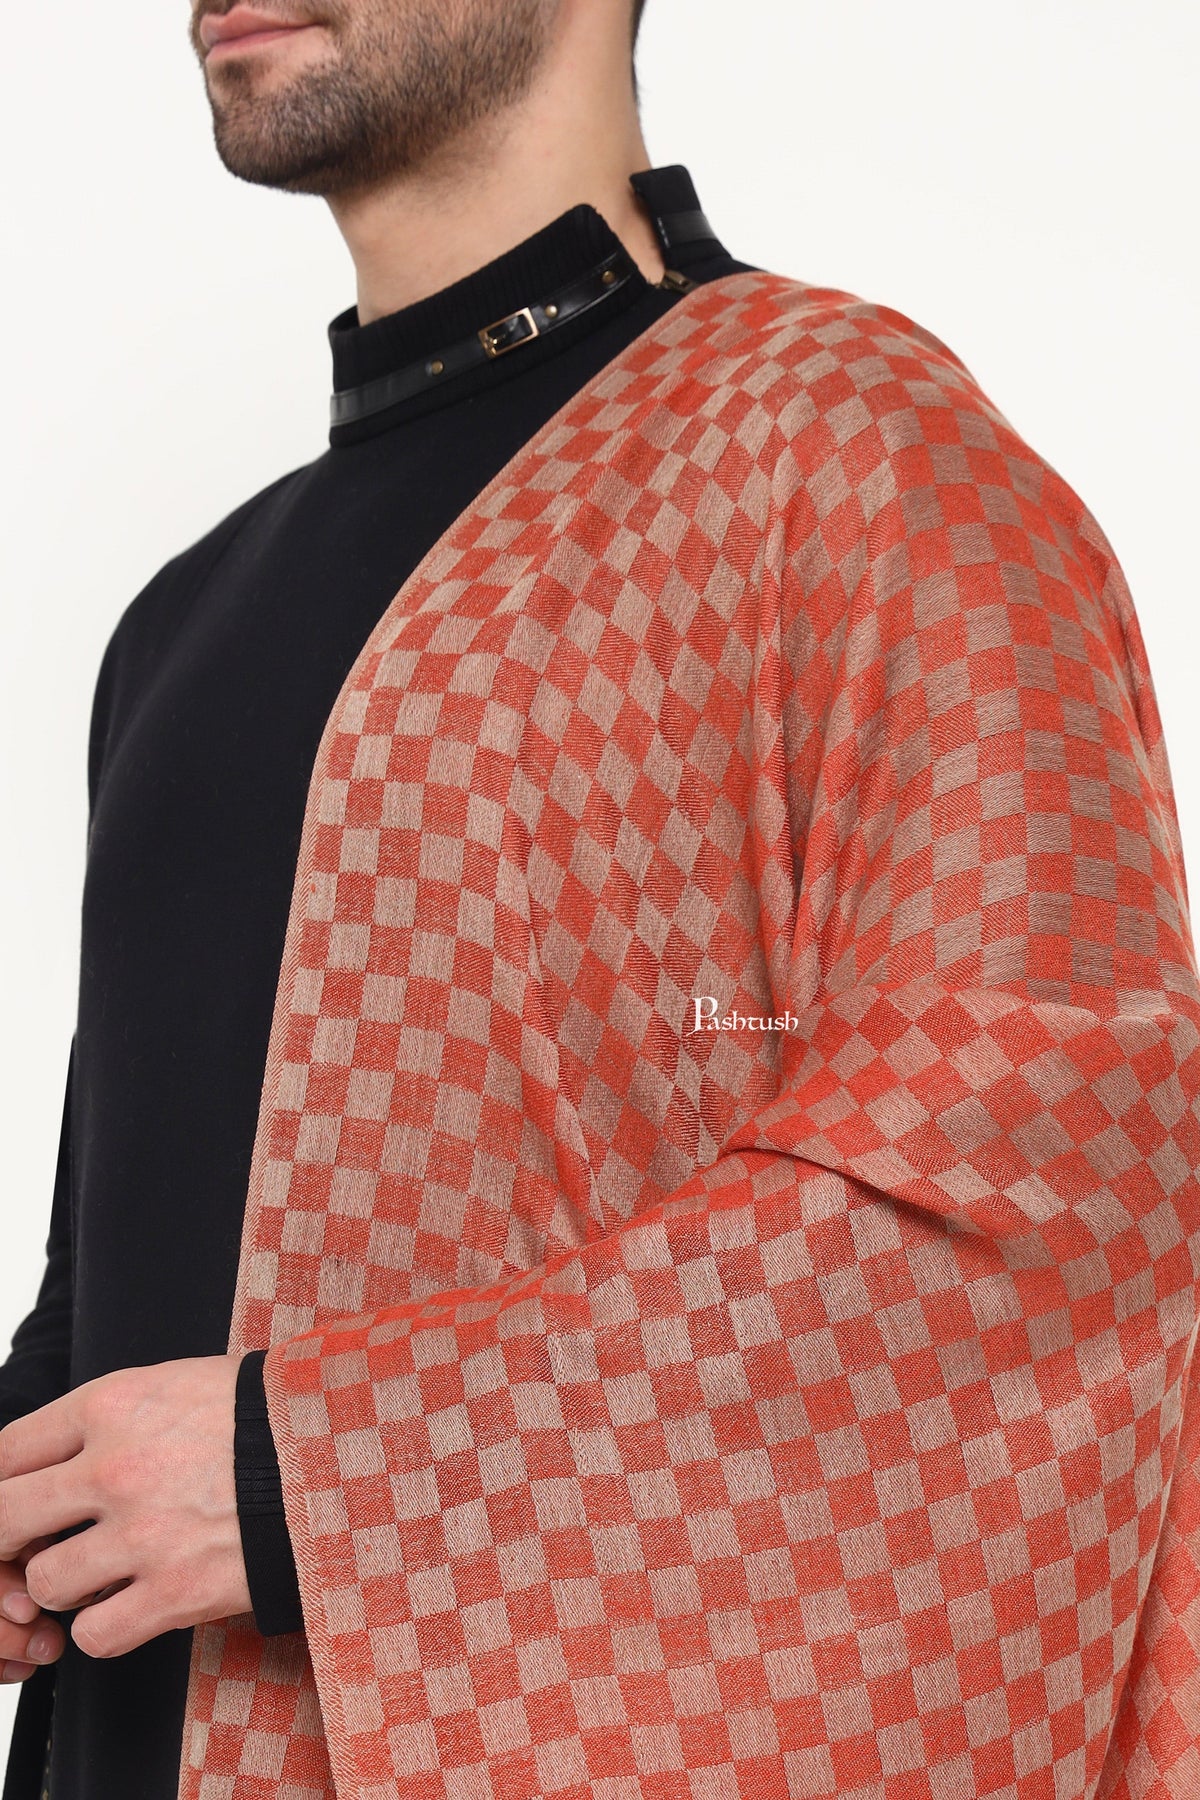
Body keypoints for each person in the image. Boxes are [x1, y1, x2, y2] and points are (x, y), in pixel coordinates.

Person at [2, 0, 1199, 1795]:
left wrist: (313, 1477)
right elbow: (122, 1282)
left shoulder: (847, 455)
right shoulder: (181, 623)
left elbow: (1052, 1186)